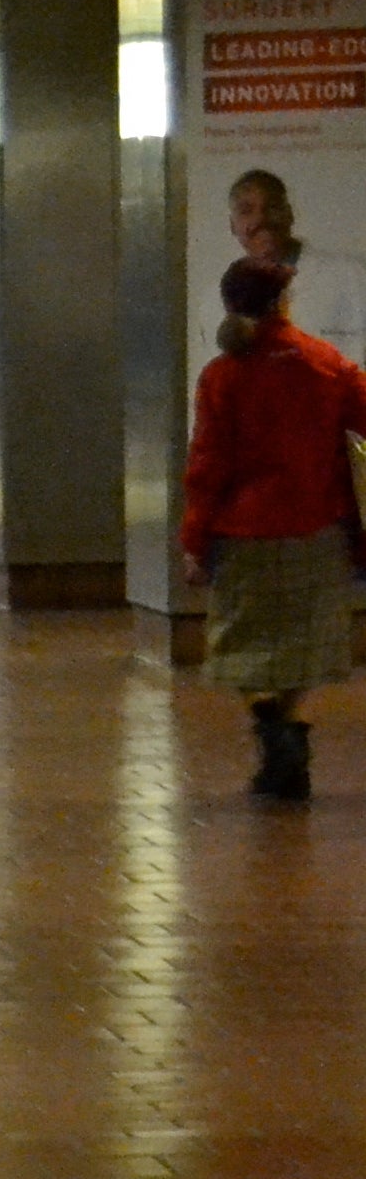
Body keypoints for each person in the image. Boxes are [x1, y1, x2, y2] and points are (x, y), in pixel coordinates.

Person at [182, 253, 366, 803]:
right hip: (316, 526)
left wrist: (194, 539)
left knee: (239, 645)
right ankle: (285, 732)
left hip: (244, 533)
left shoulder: (222, 375)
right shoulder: (324, 362)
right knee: (303, 645)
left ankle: (270, 727)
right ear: (284, 301)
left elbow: (207, 466)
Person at [229, 168, 366, 370]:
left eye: (272, 207)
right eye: (246, 211)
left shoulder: (354, 276)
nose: (260, 219)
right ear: (233, 225)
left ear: (290, 215)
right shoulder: (214, 303)